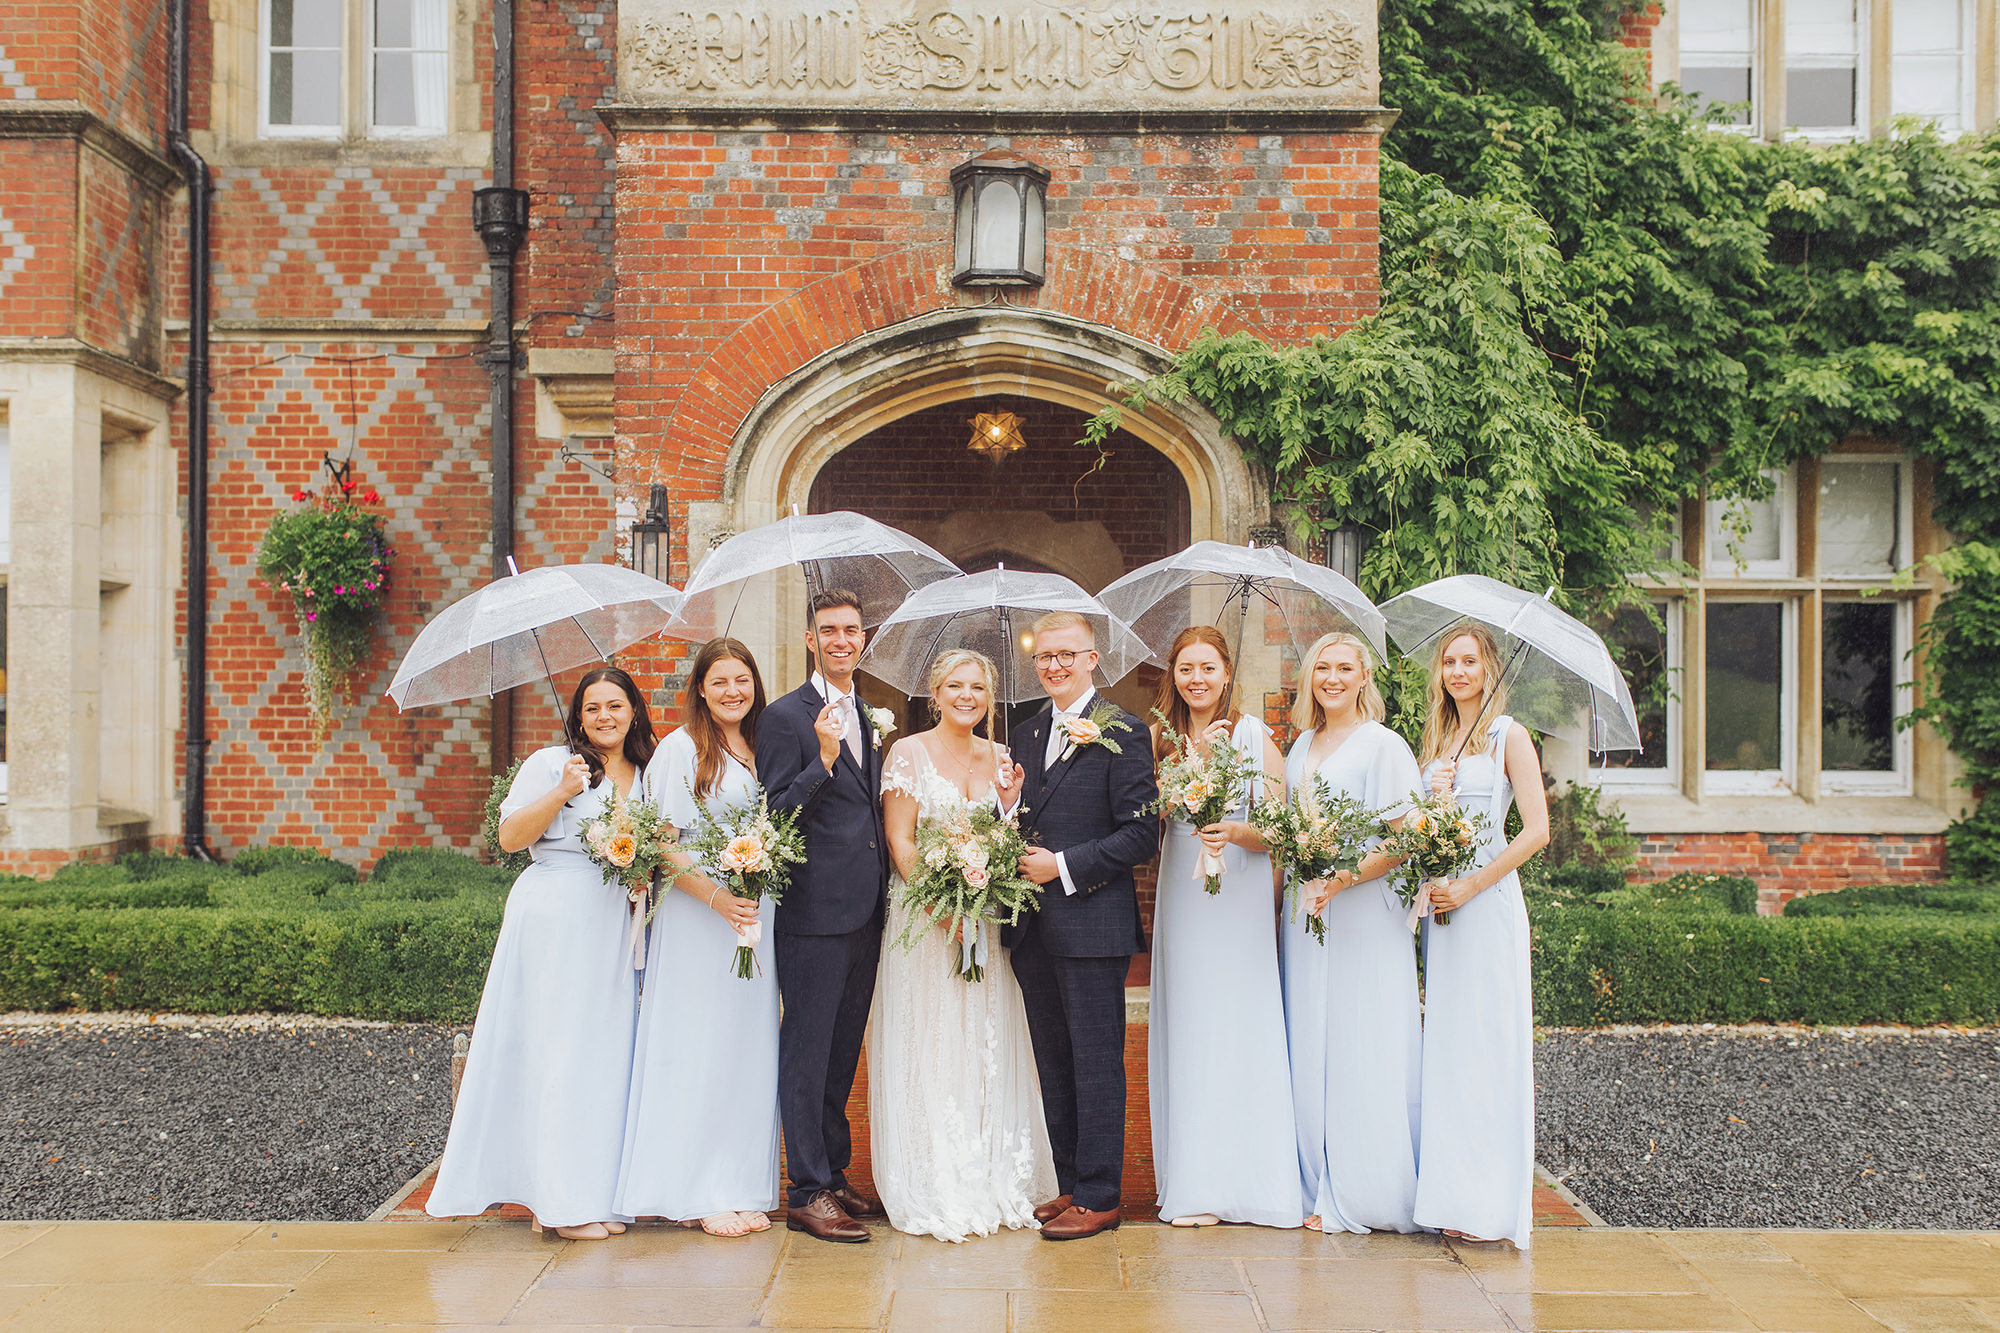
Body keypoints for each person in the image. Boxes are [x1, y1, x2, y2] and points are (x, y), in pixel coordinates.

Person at [427, 666, 654, 1240]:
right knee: (557, 1050)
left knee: (602, 1057)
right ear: (577, 716)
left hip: (613, 922)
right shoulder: (553, 764)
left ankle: (590, 1192)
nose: (605, 717)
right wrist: (561, 792)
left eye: (616, 705)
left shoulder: (649, 773)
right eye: (593, 708)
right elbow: (508, 838)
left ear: (634, 712)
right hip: (554, 918)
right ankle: (557, 1204)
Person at [870, 648, 1057, 1242]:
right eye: (955, 685)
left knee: (985, 1039)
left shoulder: (1002, 756)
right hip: (926, 923)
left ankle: (988, 1168)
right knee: (931, 1037)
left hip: (985, 921)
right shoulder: (909, 751)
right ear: (935, 691)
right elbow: (900, 843)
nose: (967, 695)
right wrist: (941, 907)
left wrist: (1007, 803)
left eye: (978, 686)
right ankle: (931, 1173)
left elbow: (1008, 841)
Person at [616, 638, 780, 1237]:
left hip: (753, 915)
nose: (734, 692)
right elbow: (661, 842)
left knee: (745, 1048)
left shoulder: (766, 744)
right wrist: (715, 898)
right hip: (698, 917)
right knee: (699, 1043)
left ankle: (737, 1181)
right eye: (720, 682)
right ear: (701, 690)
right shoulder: (681, 750)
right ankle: (694, 1187)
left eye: (743, 680)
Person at [1005, 610, 1159, 1241]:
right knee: (1054, 1058)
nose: (1056, 666)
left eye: (1068, 655)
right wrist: (1005, 807)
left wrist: (1062, 866)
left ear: (1094, 659)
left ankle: (1100, 1195)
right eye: (1045, 657)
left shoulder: (1125, 731)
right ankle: (1070, 1182)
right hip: (1033, 929)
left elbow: (1141, 833)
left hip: (1092, 923)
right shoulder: (1025, 730)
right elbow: (1024, 820)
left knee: (1096, 1062)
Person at [1146, 626, 1301, 1229]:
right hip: (1184, 894)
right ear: (1175, 676)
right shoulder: (1162, 739)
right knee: (1191, 1025)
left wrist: (1235, 831)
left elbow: (1280, 831)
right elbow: (1149, 815)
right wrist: (1194, 767)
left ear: (1228, 672)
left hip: (1235, 892)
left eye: (1208, 668)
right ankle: (1196, 1182)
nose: (1197, 679)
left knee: (1237, 1022)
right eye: (1186, 668)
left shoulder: (1254, 736)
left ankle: (1250, 1179)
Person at [756, 588, 890, 1243]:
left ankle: (833, 1171)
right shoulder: (785, 716)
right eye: (829, 630)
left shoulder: (866, 710)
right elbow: (775, 813)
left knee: (841, 1053)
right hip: (812, 913)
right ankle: (806, 1189)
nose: (841, 640)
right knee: (807, 1053)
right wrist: (824, 761)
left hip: (866, 909)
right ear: (810, 639)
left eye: (851, 629)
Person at [1411, 623, 1550, 1248]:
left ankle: (1490, 1204)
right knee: (1449, 1049)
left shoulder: (1507, 736)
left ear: (1490, 669)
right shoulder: (1440, 737)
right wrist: (1430, 810)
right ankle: (1452, 1195)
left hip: (1487, 908)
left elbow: (1535, 831)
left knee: (1486, 1047)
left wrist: (1471, 886)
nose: (1458, 671)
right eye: (1449, 661)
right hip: (1443, 910)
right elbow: (1426, 824)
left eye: (1469, 661)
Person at [1280, 632, 1422, 1235]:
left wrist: (1341, 879)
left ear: (1365, 678)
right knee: (1312, 1034)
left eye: (1344, 668)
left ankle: (1365, 1188)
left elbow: (1405, 837)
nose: (1331, 678)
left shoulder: (1383, 746)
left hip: (1363, 910)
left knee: (1362, 1036)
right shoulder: (1301, 745)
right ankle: (1316, 1182)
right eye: (1321, 668)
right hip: (1306, 908)